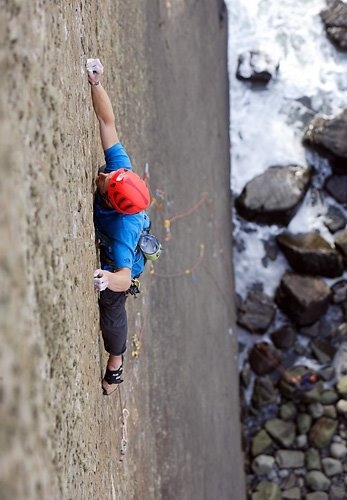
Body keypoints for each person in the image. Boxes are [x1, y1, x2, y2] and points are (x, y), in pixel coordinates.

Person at [87, 58, 151, 395]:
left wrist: (107, 279)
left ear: (114, 202)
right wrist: (97, 83)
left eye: (107, 182)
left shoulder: (126, 231)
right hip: (122, 232)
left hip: (122, 263)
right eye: (110, 176)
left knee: (111, 308)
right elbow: (107, 122)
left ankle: (116, 364)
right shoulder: (120, 175)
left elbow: (124, 278)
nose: (104, 175)